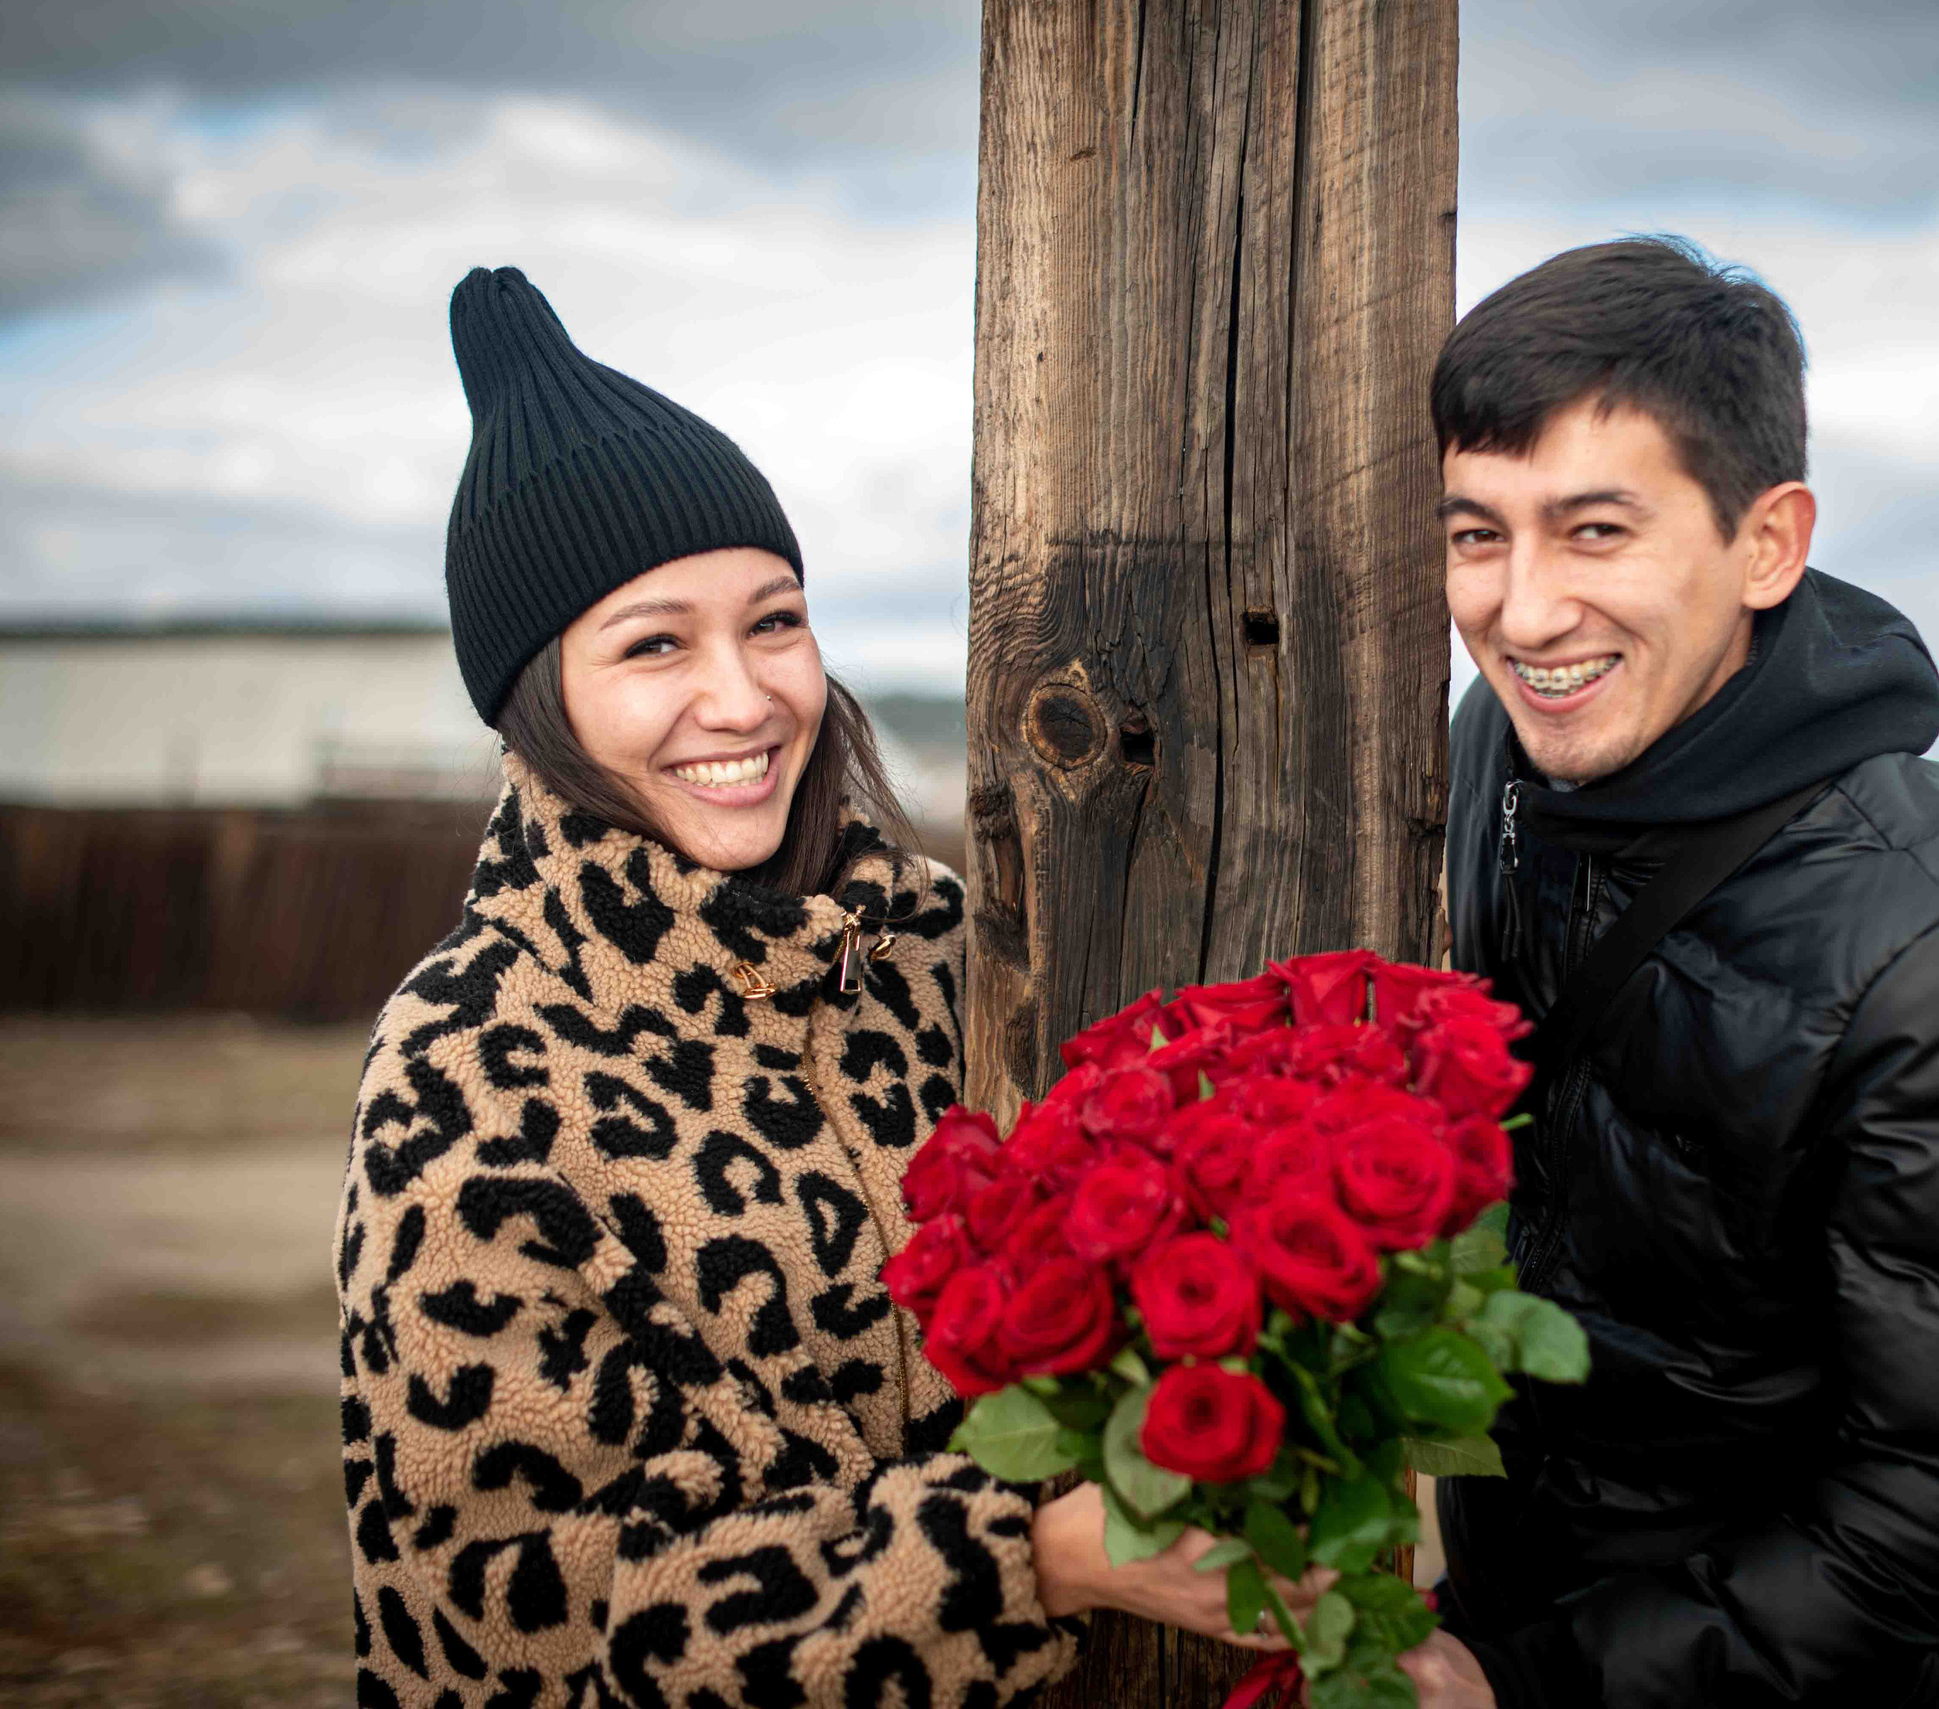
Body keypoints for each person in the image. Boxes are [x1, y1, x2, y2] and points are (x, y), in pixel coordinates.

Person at [337, 266, 1320, 1709]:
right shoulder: (471, 1058)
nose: (743, 696)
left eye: (775, 620)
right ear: (538, 701)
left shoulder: (940, 945)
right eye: (654, 643)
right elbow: (518, 1619)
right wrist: (1024, 1560)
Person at [1393, 239, 1939, 1708]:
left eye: (1595, 530)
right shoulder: (1494, 750)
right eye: (1479, 533)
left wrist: (1521, 1684)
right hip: (1488, 1619)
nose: (1522, 613)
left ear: (1769, 542)